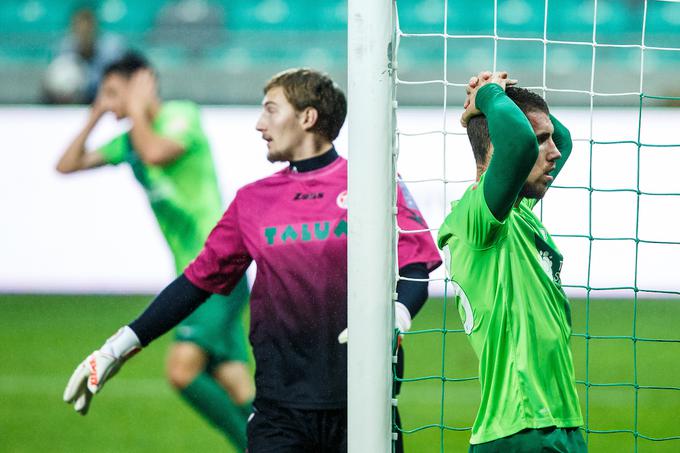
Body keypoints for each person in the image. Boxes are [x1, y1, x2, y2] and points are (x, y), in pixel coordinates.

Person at [63, 68, 442, 452]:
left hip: (365, 407)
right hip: (279, 413)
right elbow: (196, 282)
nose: (260, 124)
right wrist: (119, 346)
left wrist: (395, 318)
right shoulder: (252, 201)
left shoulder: (372, 183)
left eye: (271, 110)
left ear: (307, 117)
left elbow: (414, 267)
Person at [56, 52, 253, 451]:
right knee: (234, 381)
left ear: (142, 84)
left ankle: (257, 446)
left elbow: (156, 153)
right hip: (189, 277)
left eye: (114, 92)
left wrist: (133, 108)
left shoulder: (181, 116)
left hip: (218, 269)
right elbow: (67, 164)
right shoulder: (129, 139)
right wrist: (97, 113)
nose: (111, 102)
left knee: (182, 371)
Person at [437, 70, 585, 452]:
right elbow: (518, 142)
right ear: (499, 151)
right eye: (542, 141)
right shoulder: (478, 217)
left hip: (557, 423)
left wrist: (504, 98)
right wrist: (487, 96)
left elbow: (561, 141)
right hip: (519, 427)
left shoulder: (518, 210)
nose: (553, 152)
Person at [44, 6, 126, 104]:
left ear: (96, 27)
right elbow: (51, 82)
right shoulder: (64, 48)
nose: (84, 33)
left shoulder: (112, 49)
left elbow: (122, 82)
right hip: (74, 104)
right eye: (79, 28)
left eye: (88, 28)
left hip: (108, 102)